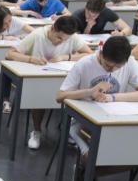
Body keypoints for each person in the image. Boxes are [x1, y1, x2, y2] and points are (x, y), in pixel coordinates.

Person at [57, 37, 138, 181]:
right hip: (81, 121)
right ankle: (85, 167)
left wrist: (113, 97)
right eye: (108, 65)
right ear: (101, 53)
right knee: (91, 155)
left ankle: (89, 172)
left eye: (117, 67)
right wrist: (90, 91)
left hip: (115, 120)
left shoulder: (129, 63)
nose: (112, 70)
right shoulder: (84, 64)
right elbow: (60, 96)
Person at [6, 16, 93, 150]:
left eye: (65, 40)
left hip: (63, 79)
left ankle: (69, 130)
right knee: (39, 98)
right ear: (53, 28)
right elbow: (10, 54)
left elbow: (89, 54)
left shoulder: (71, 37)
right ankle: (36, 131)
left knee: (79, 95)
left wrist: (66, 57)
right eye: (59, 38)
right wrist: (30, 59)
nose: (60, 42)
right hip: (39, 80)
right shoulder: (37, 35)